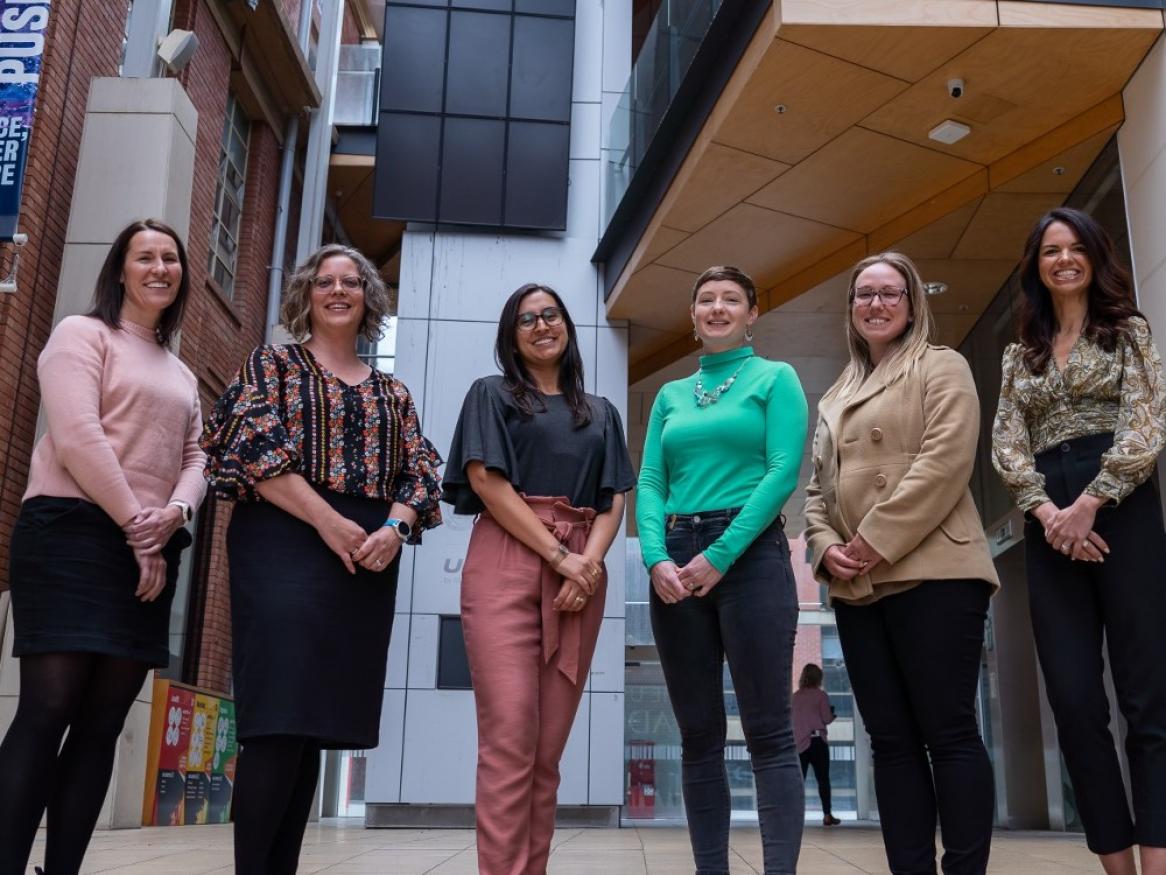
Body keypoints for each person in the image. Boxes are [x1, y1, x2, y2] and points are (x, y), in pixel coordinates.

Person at [200, 243, 442, 875]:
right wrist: (330, 521)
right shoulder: (272, 364)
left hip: (366, 559)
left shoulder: (393, 390)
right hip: (283, 542)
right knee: (278, 716)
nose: (338, 291)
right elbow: (249, 446)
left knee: (311, 724)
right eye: (325, 282)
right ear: (306, 294)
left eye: (352, 282)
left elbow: (422, 471)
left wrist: (393, 527)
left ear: (368, 298)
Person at [0, 219, 204, 875]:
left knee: (102, 723)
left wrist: (173, 513)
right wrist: (136, 527)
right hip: (69, 531)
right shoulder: (80, 335)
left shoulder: (181, 372)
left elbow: (198, 456)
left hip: (148, 545)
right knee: (48, 707)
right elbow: (78, 434)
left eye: (170, 258)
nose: (159, 267)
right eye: (145, 256)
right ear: (121, 269)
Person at [803, 251, 999, 875]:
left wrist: (872, 540)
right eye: (864, 294)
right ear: (852, 308)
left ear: (912, 303)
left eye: (890, 293)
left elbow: (945, 461)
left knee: (949, 732)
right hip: (859, 587)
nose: (876, 304)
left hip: (935, 570)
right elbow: (815, 494)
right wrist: (824, 547)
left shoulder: (942, 366)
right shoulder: (837, 392)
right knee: (889, 742)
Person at [992, 207, 1166, 875]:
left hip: (1121, 507)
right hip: (1050, 521)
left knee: (1147, 694)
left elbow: (1146, 425)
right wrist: (1048, 513)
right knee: (1072, 698)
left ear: (1095, 255)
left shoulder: (1126, 331)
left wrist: (1091, 501)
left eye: (1073, 248)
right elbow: (1007, 442)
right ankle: (1114, 863)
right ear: (1036, 265)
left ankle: (1155, 860)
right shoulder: (1020, 353)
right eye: (1048, 250)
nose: (1062, 259)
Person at [443, 283, 634, 875]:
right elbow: (486, 482)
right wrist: (560, 558)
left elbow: (615, 498)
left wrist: (590, 563)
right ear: (511, 335)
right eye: (526, 319)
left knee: (547, 751)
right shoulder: (492, 395)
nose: (541, 325)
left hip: (583, 567)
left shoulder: (601, 411)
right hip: (510, 556)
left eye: (551, 314)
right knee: (509, 741)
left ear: (568, 326)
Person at [637, 265, 808, 875]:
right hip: (675, 564)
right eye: (705, 300)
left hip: (751, 555)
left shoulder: (775, 379)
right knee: (699, 739)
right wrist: (657, 557)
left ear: (752, 314)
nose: (717, 309)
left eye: (730, 300)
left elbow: (782, 473)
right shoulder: (670, 396)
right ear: (692, 315)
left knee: (768, 732)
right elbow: (652, 482)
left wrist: (720, 554)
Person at [792, 663, 839, 827]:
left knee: (799, 782)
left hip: (799, 743)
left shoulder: (795, 697)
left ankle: (795, 817)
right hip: (817, 741)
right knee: (823, 780)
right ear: (818, 678)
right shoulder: (821, 696)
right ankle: (827, 815)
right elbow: (826, 718)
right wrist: (833, 715)